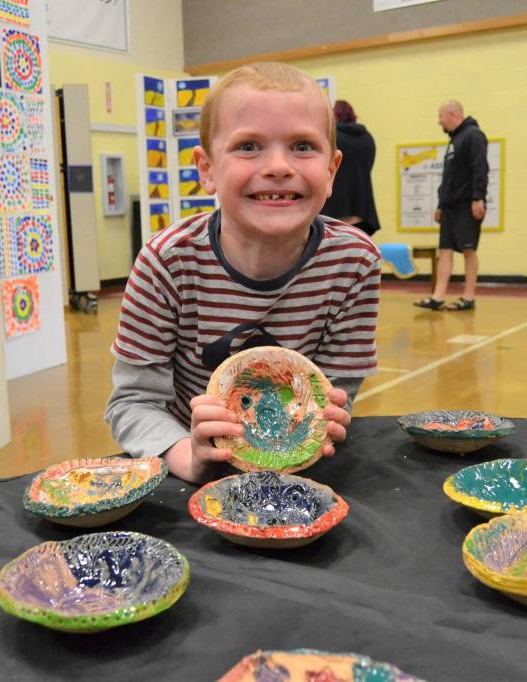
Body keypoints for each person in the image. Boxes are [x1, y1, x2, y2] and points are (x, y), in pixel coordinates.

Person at [105, 62, 382, 482]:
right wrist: (191, 458)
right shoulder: (166, 262)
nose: (278, 166)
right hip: (184, 462)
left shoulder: (355, 261)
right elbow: (132, 402)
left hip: (298, 469)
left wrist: (328, 418)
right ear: (207, 169)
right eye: (249, 146)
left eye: (303, 146)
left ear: (331, 171)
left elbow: (335, 392)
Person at [414, 100, 488, 312]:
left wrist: (478, 198)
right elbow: (449, 178)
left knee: (468, 249)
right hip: (449, 207)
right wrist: (440, 205)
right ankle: (438, 296)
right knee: (444, 251)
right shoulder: (454, 140)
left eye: (441, 116)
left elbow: (480, 168)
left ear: (452, 114)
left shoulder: (473, 135)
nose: (439, 121)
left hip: (467, 204)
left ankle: (469, 297)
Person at [322, 100, 380, 236]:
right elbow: (368, 167)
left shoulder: (333, 137)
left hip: (334, 210)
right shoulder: (368, 138)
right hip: (363, 211)